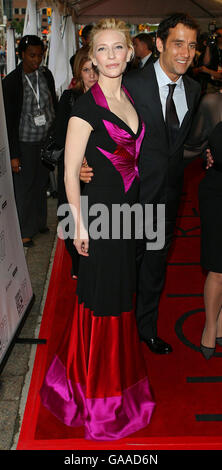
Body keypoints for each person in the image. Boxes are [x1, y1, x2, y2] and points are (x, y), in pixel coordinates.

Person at [40, 18, 155, 441]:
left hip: (127, 217)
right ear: (91, 57)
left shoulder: (129, 97)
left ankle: (114, 387)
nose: (110, 56)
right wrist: (78, 226)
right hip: (98, 219)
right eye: (101, 49)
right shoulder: (85, 107)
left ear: (128, 53)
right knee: (102, 301)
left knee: (120, 297)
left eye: (117, 48)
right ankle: (95, 398)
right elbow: (70, 172)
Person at [80, 13, 201, 354]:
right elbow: (96, 119)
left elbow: (177, 144)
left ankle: (145, 330)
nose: (185, 52)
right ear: (160, 43)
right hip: (128, 198)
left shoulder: (193, 88)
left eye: (192, 46)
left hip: (167, 199)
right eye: (178, 43)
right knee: (123, 270)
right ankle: (114, 336)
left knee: (154, 269)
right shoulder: (132, 84)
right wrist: (81, 163)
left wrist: (204, 154)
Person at [2, 35, 57, 247]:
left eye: (40, 55)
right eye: (32, 55)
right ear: (21, 55)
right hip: (24, 142)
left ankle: (39, 222)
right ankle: (25, 230)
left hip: (45, 140)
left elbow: (53, 101)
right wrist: (14, 155)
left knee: (41, 183)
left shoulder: (45, 75)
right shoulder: (12, 82)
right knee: (24, 187)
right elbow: (8, 120)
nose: (37, 60)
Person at [184, 90, 222, 360]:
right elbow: (191, 145)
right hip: (217, 192)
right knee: (218, 267)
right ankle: (211, 326)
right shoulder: (213, 102)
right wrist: (205, 155)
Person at [55, 46, 98, 278]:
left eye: (95, 69)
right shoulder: (70, 98)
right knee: (71, 216)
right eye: (86, 70)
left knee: (97, 219)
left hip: (98, 171)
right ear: (78, 72)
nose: (91, 75)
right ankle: (78, 265)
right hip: (73, 169)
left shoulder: (110, 98)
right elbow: (60, 135)